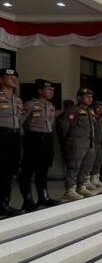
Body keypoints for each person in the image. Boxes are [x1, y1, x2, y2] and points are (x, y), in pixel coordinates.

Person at [18, 79, 60, 211]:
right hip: (34, 138)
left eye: (52, 89)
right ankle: (28, 200)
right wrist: (25, 137)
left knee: (43, 170)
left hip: (47, 138)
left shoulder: (51, 106)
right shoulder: (30, 104)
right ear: (40, 91)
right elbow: (19, 122)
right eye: (48, 89)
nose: (51, 91)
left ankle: (44, 197)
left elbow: (51, 124)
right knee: (28, 171)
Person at [58, 88, 96, 200]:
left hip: (88, 144)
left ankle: (81, 187)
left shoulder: (89, 111)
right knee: (74, 167)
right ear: (79, 98)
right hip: (76, 144)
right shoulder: (73, 110)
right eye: (87, 96)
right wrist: (67, 141)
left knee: (85, 167)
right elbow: (64, 127)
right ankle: (70, 190)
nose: (90, 98)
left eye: (91, 97)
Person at [0, 68, 24, 216]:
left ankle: (5, 204)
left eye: (15, 77)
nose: (13, 79)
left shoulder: (18, 99)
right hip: (1, 135)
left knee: (10, 171)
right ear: (1, 80)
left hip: (14, 137)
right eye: (9, 77)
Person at [89, 101, 102, 188]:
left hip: (101, 143)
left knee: (99, 161)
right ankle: (87, 180)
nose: (100, 110)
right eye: (98, 107)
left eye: (101, 108)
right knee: (90, 162)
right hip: (93, 143)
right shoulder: (90, 117)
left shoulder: (101, 119)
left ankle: (95, 179)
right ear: (93, 107)